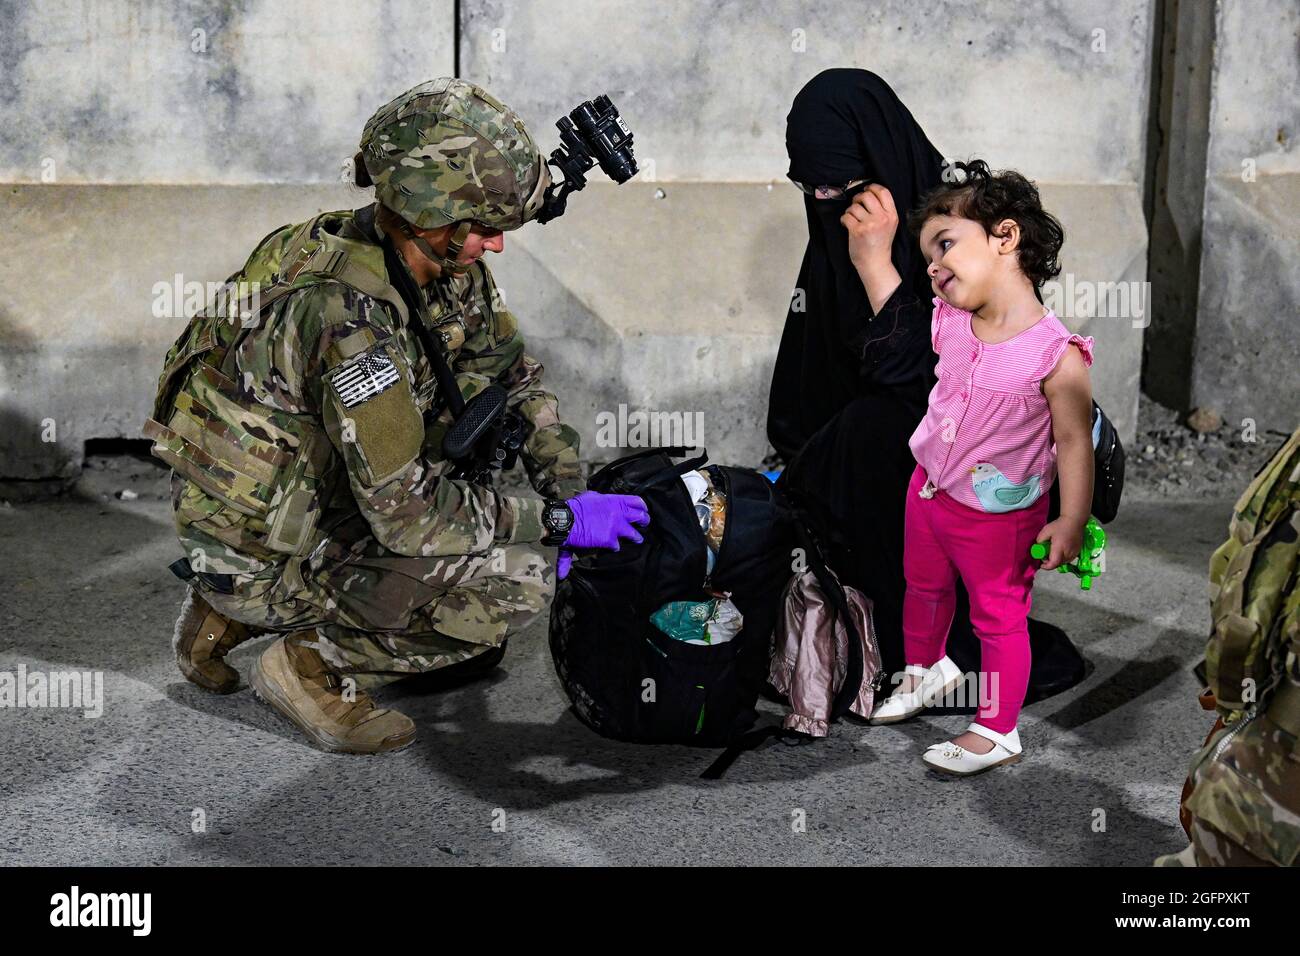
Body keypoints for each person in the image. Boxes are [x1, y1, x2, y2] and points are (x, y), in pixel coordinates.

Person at [148, 78, 648, 754]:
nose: (496, 246)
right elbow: (407, 514)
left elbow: (510, 374)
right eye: (486, 229)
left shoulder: (394, 250)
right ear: (432, 213)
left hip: (270, 507)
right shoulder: (349, 320)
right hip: (261, 542)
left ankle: (227, 611)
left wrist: (571, 486)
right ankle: (307, 666)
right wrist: (558, 524)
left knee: (470, 481)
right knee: (516, 580)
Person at [770, 68, 1086, 704]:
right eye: (813, 188)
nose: (829, 202)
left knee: (874, 429)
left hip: (991, 466)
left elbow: (941, 385)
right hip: (903, 484)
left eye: (844, 186)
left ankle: (943, 646)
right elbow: (807, 398)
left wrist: (877, 267)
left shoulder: (961, 240)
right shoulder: (837, 237)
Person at [864, 159, 1095, 775]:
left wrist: (1071, 520)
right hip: (930, 490)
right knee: (924, 586)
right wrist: (871, 257)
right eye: (929, 260)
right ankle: (927, 669)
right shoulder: (951, 322)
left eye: (945, 246)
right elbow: (897, 317)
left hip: (999, 516)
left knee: (998, 617)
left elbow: (1075, 443)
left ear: (1006, 237)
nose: (934, 268)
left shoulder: (1055, 353)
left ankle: (997, 728)